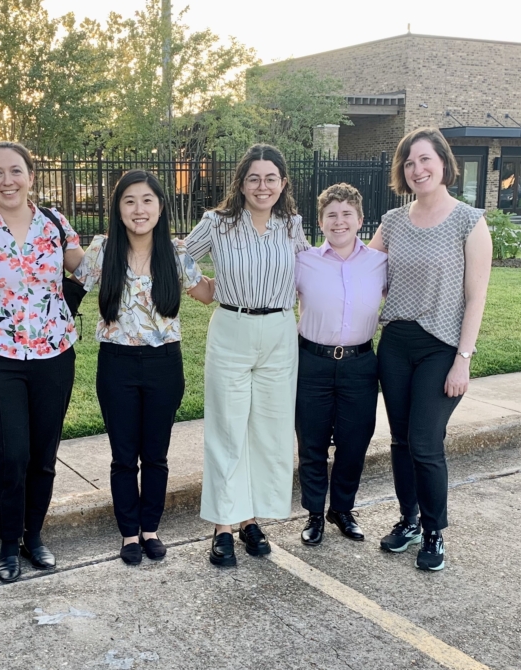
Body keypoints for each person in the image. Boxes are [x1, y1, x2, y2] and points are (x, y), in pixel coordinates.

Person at [0, 141, 84, 583]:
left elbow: (83, 270)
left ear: (31, 175)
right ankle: (9, 542)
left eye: (15, 171)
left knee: (43, 456)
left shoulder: (54, 222)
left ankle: (35, 536)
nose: (6, 181)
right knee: (10, 455)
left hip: (54, 352)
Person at [73, 170, 213, 565]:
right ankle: (128, 534)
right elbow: (70, 292)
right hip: (116, 365)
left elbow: (205, 293)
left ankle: (150, 529)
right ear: (118, 210)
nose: (139, 209)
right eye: (129, 201)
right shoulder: (102, 250)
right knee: (123, 456)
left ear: (160, 207)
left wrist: (251, 280)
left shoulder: (176, 253)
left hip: (164, 365)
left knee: (155, 454)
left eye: (147, 200)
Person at [368, 127, 492, 571]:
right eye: (408, 162)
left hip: (442, 346)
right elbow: (363, 272)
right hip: (396, 344)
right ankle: (409, 521)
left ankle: (435, 531)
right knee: (401, 440)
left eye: (425, 159)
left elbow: (476, 296)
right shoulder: (393, 221)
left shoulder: (468, 221)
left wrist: (464, 359)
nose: (417, 169)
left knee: (425, 440)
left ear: (443, 162)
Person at [185, 143, 309, 567]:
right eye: (253, 178)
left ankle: (250, 520)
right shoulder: (217, 223)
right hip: (232, 329)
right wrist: (201, 289)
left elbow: (310, 273)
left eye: (270, 178)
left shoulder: (291, 226)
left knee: (268, 431)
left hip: (278, 332)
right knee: (228, 428)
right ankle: (223, 524)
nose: (262, 186)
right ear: (240, 183)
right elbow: (180, 255)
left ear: (283, 183)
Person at [294, 183, 387, 546]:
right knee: (312, 443)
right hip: (312, 362)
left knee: (354, 441)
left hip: (360, 364)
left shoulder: (379, 263)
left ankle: (342, 508)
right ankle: (315, 513)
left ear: (361, 220)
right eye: (331, 215)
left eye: (347, 213)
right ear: (321, 222)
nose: (339, 221)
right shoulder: (305, 262)